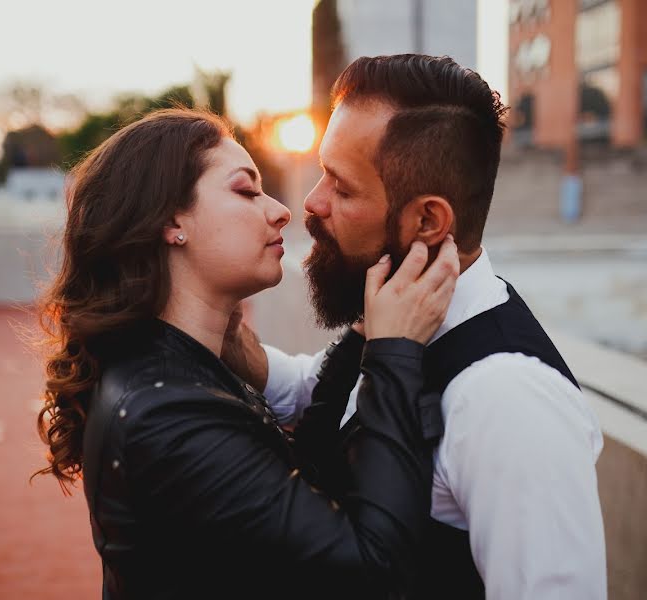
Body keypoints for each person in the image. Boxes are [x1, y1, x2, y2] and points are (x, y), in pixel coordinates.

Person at [31, 107, 462, 599]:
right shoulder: (168, 414)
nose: (280, 209)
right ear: (171, 221)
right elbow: (375, 569)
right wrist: (395, 354)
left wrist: (363, 338)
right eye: (246, 190)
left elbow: (299, 474)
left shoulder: (175, 363)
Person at [224, 55, 608, 599]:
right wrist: (224, 337)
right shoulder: (398, 314)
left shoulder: (507, 400)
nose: (312, 203)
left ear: (428, 221)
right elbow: (331, 399)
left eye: (342, 187)